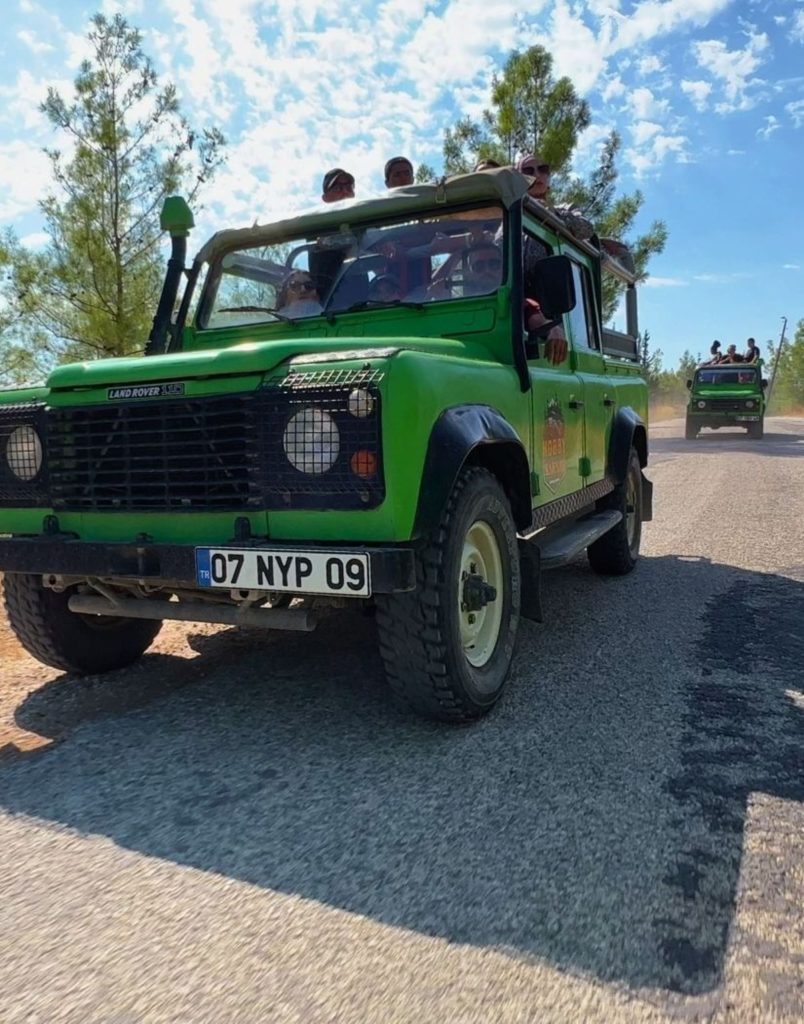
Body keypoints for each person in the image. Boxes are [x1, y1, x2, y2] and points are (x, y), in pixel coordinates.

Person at [516, 153, 594, 241]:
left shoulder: (566, 209)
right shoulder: (510, 213)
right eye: (528, 171)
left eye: (543, 169)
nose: (537, 175)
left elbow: (587, 230)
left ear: (548, 176)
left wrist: (554, 214)